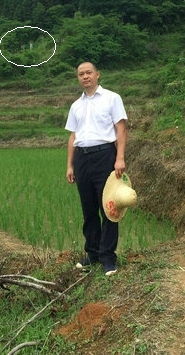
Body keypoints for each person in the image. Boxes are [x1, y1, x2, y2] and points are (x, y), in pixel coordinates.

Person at [65, 62, 127, 276]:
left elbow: (120, 129)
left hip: (105, 156)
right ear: (78, 78)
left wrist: (119, 158)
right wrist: (70, 165)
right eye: (81, 74)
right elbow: (73, 136)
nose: (85, 77)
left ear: (97, 75)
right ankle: (92, 253)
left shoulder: (112, 98)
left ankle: (108, 257)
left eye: (88, 73)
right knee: (88, 208)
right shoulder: (76, 106)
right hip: (82, 159)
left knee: (109, 208)